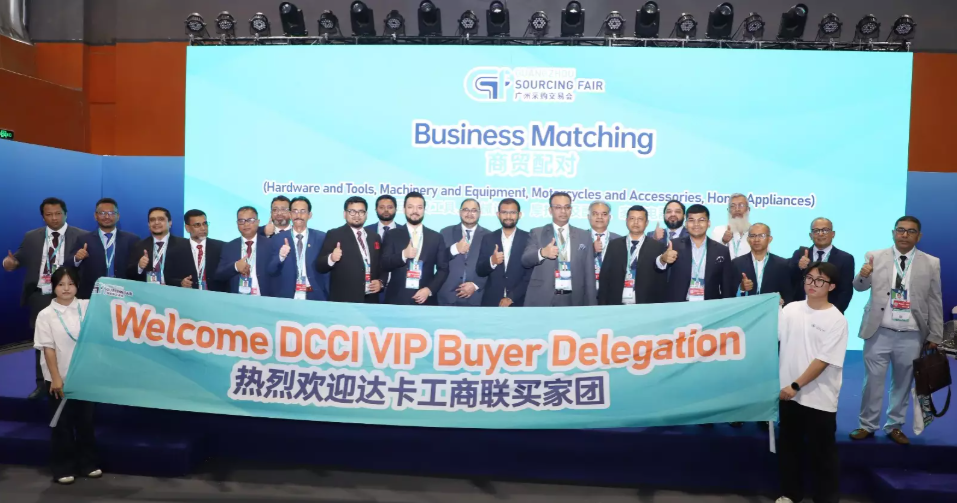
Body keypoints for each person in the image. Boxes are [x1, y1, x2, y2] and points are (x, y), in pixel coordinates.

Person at [849, 216, 943, 445]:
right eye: (900, 230)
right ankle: (867, 424)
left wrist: (935, 334)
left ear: (918, 236)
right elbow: (859, 287)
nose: (904, 235)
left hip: (912, 334)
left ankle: (894, 425)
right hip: (878, 331)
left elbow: (935, 299)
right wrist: (863, 274)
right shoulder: (875, 256)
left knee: (902, 384)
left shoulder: (931, 263)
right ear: (893, 232)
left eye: (911, 231)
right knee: (872, 383)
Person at [776, 261, 848, 503]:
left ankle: (826, 498)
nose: (812, 284)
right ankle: (790, 494)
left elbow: (823, 360)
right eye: (809, 278)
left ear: (831, 286)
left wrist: (796, 385)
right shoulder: (791, 309)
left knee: (822, 453)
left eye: (820, 280)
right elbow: (772, 334)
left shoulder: (836, 319)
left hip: (818, 398)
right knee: (789, 448)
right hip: (788, 395)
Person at [3, 197, 87, 399]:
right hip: (40, 295)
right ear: (43, 217)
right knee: (42, 342)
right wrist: (10, 263)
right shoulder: (32, 236)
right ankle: (42, 384)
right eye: (49, 214)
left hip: (69, 296)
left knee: (73, 339)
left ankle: (75, 380)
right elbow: (17, 259)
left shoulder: (81, 236)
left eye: (58, 214)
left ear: (66, 214)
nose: (54, 218)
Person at [33, 267, 102, 485]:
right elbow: (48, 349)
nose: (66, 288)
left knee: (86, 423)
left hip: (84, 377)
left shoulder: (87, 306)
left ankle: (88, 464)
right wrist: (56, 378)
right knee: (62, 425)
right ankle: (63, 467)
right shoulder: (45, 315)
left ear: (77, 286)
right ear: (53, 287)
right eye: (61, 284)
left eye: (71, 284)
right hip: (59, 378)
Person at [521, 192, 597, 307]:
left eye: (567, 207)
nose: (563, 211)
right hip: (543, 297)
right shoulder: (537, 233)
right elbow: (525, 260)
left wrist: (592, 305)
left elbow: (589, 274)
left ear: (571, 210)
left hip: (574, 298)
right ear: (550, 210)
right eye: (558, 207)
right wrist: (542, 253)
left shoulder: (584, 236)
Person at [380, 192, 449, 305]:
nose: (415, 211)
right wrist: (403, 255)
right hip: (397, 298)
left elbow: (443, 269)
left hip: (425, 299)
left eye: (419, 207)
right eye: (410, 207)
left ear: (424, 210)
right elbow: (384, 264)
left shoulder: (436, 237)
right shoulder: (392, 234)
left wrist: (429, 290)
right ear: (404, 209)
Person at [597, 205, 667, 305]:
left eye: (640, 219)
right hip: (616, 304)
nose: (636, 222)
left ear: (647, 223)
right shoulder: (614, 245)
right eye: (632, 218)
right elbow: (605, 276)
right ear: (626, 221)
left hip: (646, 304)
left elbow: (660, 281)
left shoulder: (657, 247)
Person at [317, 196, 383, 303]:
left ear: (366, 215)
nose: (357, 215)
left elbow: (380, 264)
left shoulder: (374, 237)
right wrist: (332, 258)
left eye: (361, 212)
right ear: (345, 214)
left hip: (370, 299)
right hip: (345, 300)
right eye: (352, 212)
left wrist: (380, 282)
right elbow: (320, 266)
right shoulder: (334, 234)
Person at [662, 204, 732, 302]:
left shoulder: (722, 250)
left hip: (710, 305)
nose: (696, 224)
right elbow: (659, 270)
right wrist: (662, 259)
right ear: (686, 224)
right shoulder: (673, 245)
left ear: (708, 223)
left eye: (701, 220)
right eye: (691, 220)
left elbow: (727, 285)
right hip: (679, 305)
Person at [70, 198, 138, 299]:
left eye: (111, 213)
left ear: (118, 216)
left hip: (123, 296)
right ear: (95, 216)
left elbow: (135, 269)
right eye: (102, 213)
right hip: (93, 295)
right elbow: (69, 264)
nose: (106, 216)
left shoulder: (131, 240)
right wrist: (77, 258)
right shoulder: (84, 239)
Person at [788, 217, 855, 313]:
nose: (820, 234)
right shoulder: (800, 254)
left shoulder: (845, 258)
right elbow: (789, 281)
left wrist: (832, 313)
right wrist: (799, 267)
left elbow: (845, 291)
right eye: (816, 231)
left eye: (825, 230)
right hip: (800, 311)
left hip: (829, 313)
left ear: (833, 234)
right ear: (811, 235)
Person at [475, 198, 532, 307]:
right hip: (492, 302)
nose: (508, 216)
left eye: (512, 212)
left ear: (519, 215)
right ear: (498, 214)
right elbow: (479, 271)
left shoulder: (529, 238)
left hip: (519, 302)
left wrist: (512, 297)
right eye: (504, 212)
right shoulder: (488, 238)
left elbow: (530, 275)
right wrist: (492, 261)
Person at [270, 196, 329, 301]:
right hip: (287, 297)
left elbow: (327, 270)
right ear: (290, 214)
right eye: (295, 211)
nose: (298, 215)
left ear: (309, 215)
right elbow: (270, 270)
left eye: (303, 211)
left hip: (315, 296)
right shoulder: (277, 239)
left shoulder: (321, 238)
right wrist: (280, 257)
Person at [215, 206, 279, 296]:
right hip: (238, 299)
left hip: (265, 298)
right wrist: (235, 267)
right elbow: (219, 275)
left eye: (250, 220)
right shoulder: (229, 246)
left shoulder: (270, 244)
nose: (246, 224)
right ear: (237, 223)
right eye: (241, 221)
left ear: (258, 222)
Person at [438, 199, 489, 306]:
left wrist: (475, 285)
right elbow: (438, 260)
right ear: (460, 212)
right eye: (466, 210)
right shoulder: (445, 232)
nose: (469, 214)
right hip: (447, 297)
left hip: (476, 298)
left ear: (479, 213)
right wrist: (455, 249)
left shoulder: (489, 236)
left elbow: (491, 266)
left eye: (474, 210)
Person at [728, 223, 793, 305]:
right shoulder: (737, 263)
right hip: (746, 309)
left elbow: (788, 294)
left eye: (761, 236)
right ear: (748, 239)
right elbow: (729, 293)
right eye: (753, 236)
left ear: (770, 239)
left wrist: (782, 301)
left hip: (771, 310)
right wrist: (741, 288)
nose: (756, 240)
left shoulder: (782, 264)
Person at [166, 209, 227, 292]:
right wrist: (181, 282)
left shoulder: (221, 247)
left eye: (205, 224)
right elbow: (168, 278)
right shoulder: (175, 251)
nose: (203, 228)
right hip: (189, 296)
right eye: (197, 225)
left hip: (216, 296)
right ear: (187, 228)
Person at [128, 207, 187, 285]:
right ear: (149, 224)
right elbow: (129, 274)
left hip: (174, 290)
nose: (156, 222)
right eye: (152, 220)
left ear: (170, 223)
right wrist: (139, 266)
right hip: (147, 291)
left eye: (161, 219)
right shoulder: (139, 245)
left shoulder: (184, 245)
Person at [365, 194, 398, 303]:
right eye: (382, 207)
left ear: (396, 209)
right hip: (371, 287)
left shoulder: (404, 232)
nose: (386, 210)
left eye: (390, 207)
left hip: (397, 289)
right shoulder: (365, 232)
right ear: (376, 209)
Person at [588, 201, 621, 294]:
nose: (600, 217)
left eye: (604, 214)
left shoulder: (619, 240)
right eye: (595, 214)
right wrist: (591, 250)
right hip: (586, 291)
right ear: (588, 217)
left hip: (611, 290)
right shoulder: (579, 238)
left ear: (609, 217)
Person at [711, 193, 751, 259]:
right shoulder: (718, 231)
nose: (737, 209)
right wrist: (723, 242)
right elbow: (711, 256)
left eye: (741, 205)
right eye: (732, 206)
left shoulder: (755, 234)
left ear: (748, 209)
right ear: (728, 210)